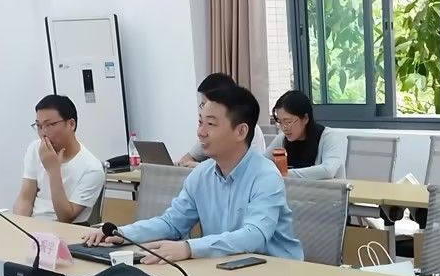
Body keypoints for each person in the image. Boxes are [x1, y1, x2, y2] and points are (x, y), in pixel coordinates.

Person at [83, 83, 303, 262]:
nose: (200, 132)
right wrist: (121, 233)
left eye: (211, 124)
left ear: (240, 131)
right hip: (225, 268)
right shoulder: (201, 175)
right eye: (200, 122)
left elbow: (254, 236)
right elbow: (172, 223)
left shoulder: (265, 176)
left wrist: (189, 248)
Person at [12, 94, 106, 224]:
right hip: (33, 227)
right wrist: (20, 226)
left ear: (71, 124)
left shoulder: (92, 168)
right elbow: (25, 198)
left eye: (50, 124)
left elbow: (66, 218)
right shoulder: (35, 148)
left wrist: (53, 170)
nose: (43, 133)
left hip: (67, 231)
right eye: (39, 126)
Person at [177, 72, 267, 166]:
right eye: (203, 105)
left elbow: (247, 168)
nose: (200, 133)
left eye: (208, 104)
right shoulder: (207, 133)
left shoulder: (250, 131)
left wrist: (198, 166)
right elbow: (186, 159)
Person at [265, 89, 347, 180]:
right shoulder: (282, 139)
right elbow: (262, 163)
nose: (284, 128)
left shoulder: (329, 137)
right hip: (293, 189)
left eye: (288, 122)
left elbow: (328, 170)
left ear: (305, 118)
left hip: (326, 189)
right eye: (280, 122)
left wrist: (283, 174)